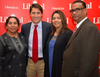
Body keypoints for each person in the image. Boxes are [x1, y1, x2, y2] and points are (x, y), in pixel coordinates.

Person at [62, 1, 100, 77]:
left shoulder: (90, 28)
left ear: (85, 10)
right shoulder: (80, 27)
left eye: (77, 9)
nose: (74, 12)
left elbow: (88, 62)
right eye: (72, 10)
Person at [21, 3, 51, 77]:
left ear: (41, 14)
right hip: (29, 62)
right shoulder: (24, 27)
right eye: (33, 13)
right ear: (30, 14)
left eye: (38, 13)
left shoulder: (49, 26)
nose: (36, 16)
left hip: (43, 62)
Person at [44, 10, 73, 77]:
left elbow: (70, 54)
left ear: (63, 19)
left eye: (58, 18)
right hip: (49, 65)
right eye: (54, 18)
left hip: (61, 67)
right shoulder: (51, 34)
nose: (55, 20)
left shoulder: (68, 33)